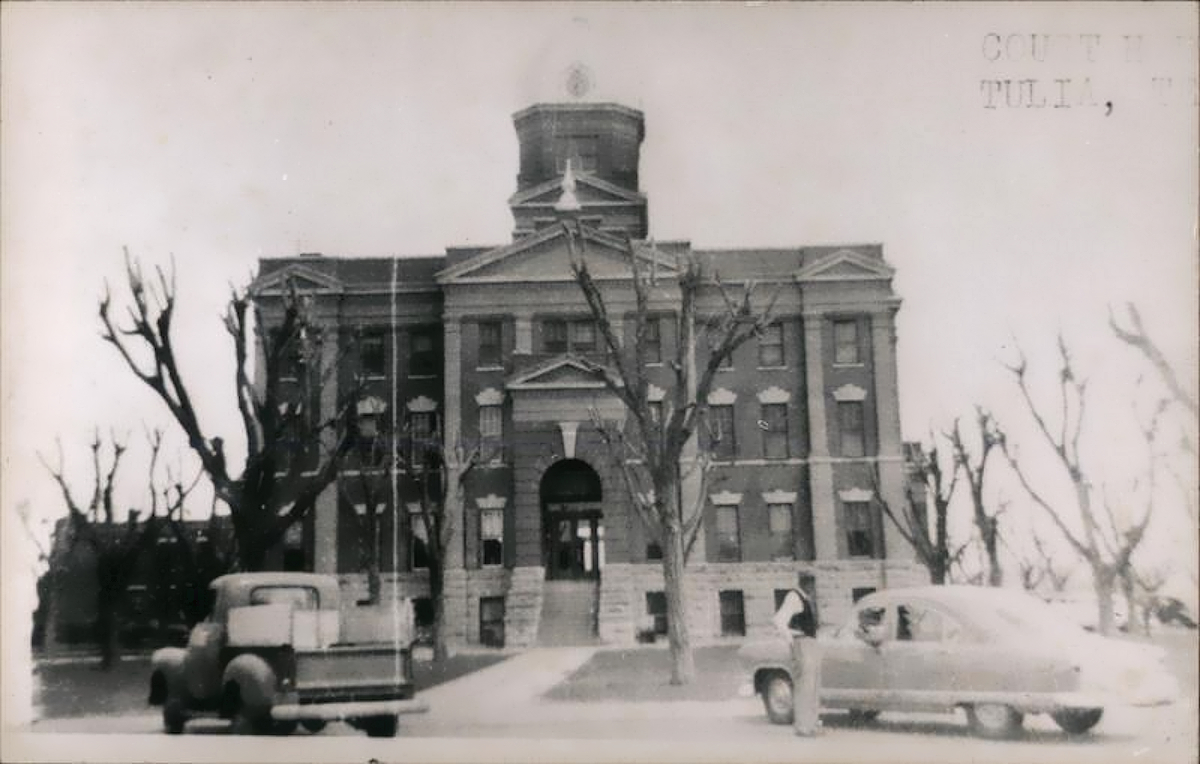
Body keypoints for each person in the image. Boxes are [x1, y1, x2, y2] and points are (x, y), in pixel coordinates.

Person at [773, 586, 820, 736]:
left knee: (812, 686)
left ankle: (811, 725)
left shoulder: (805, 597)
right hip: (802, 643)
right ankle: (803, 727)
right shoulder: (794, 596)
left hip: (811, 643)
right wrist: (791, 639)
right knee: (804, 686)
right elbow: (778, 620)